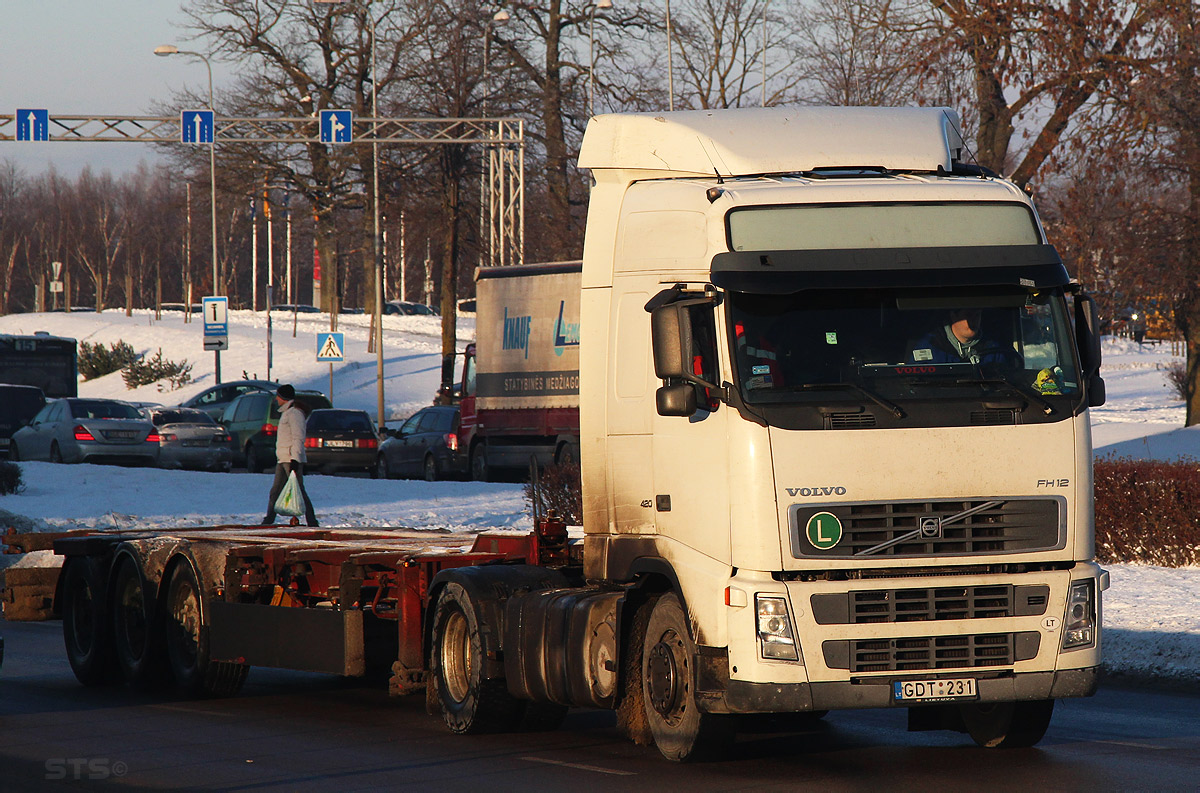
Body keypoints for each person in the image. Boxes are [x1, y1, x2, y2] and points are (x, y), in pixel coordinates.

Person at [261, 383, 318, 526]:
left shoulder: (295, 413)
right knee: (275, 491)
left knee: (298, 491)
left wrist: (295, 459)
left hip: (291, 458)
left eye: (278, 396)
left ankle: (312, 521)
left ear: (283, 398)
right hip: (283, 458)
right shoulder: (287, 413)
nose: (276, 399)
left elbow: (298, 437)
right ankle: (268, 520)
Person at [908, 308, 1020, 367]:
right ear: (953, 316)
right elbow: (915, 386)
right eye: (968, 315)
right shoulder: (929, 347)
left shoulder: (995, 349)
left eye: (977, 315)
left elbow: (1008, 383)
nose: (974, 320)